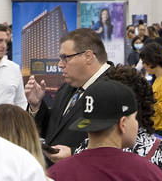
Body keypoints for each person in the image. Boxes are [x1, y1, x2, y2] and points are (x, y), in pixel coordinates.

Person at [27, 28, 112, 159]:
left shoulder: (116, 89)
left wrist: (73, 153)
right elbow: (54, 129)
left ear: (88, 56)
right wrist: (36, 106)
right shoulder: (68, 86)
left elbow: (119, 144)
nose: (60, 64)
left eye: (65, 58)